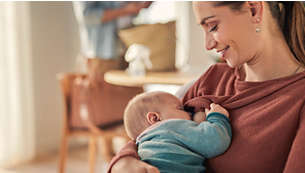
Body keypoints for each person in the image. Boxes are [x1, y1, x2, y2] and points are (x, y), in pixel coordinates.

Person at [108, 2, 305, 173]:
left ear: (254, 10)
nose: (207, 45)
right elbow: (153, 134)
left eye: (212, 26)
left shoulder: (298, 98)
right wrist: (122, 162)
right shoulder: (212, 79)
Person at [124, 91, 231, 173]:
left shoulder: (142, 144)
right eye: (180, 108)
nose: (189, 114)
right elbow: (214, 142)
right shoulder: (170, 126)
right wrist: (218, 117)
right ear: (155, 118)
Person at [73, 1, 151, 85]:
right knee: (103, 93)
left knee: (131, 91)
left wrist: (139, 6)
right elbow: (87, 15)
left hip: (128, 48)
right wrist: (125, 10)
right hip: (102, 53)